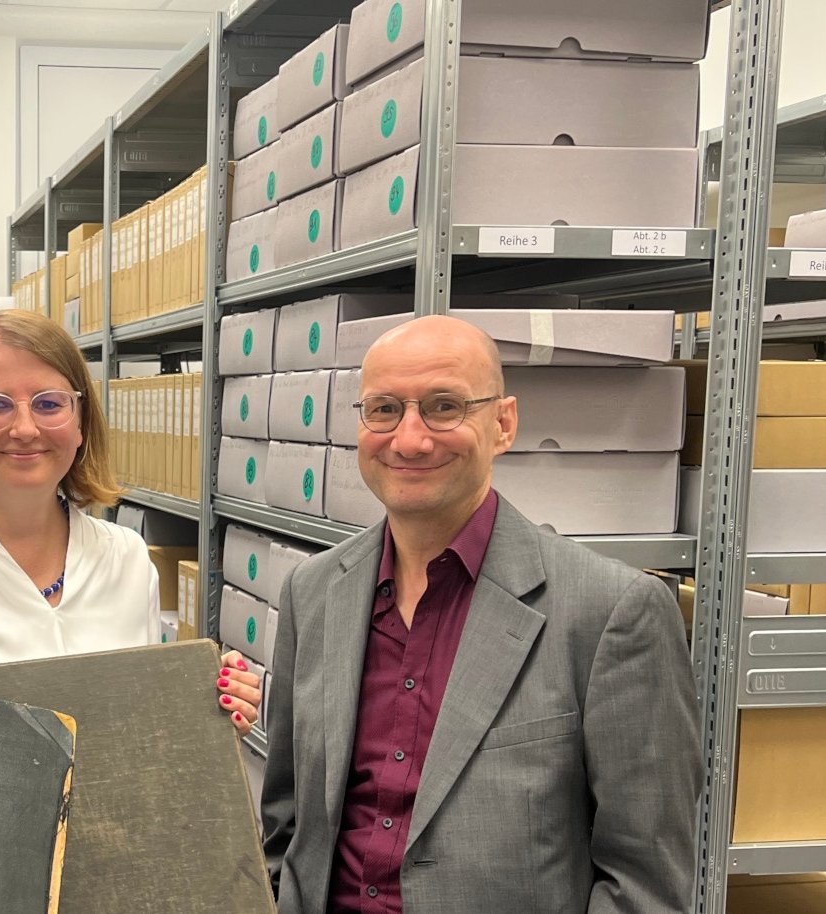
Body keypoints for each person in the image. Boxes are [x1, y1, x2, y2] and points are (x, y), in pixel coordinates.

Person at [257, 315, 698, 914]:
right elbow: (287, 823)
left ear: (503, 424)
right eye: (384, 409)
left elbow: (646, 883)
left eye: (444, 407)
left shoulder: (610, 613)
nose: (409, 439)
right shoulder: (313, 594)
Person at [0, 310, 263, 732]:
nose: (26, 428)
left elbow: (135, 727)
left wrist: (205, 707)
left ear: (80, 422)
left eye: (49, 403)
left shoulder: (126, 558)